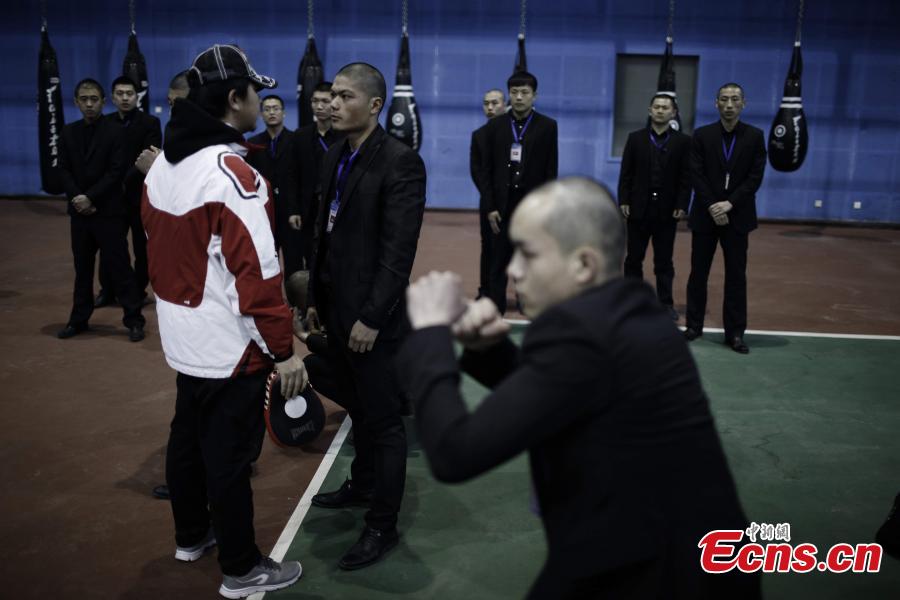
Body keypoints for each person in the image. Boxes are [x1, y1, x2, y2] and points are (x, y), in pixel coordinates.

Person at [400, 176, 760, 599]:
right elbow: (565, 394)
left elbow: (454, 453)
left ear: (584, 265)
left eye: (528, 254)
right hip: (679, 558)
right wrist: (488, 351)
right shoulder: (630, 311)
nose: (512, 269)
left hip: (654, 573)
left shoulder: (583, 331)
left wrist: (429, 335)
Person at [141, 44, 305, 599]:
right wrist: (283, 352)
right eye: (255, 91)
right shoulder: (236, 177)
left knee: (186, 435)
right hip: (230, 346)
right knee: (230, 458)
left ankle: (192, 536)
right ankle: (241, 569)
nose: (261, 100)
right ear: (235, 100)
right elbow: (258, 279)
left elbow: (154, 246)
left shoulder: (163, 164)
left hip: (181, 334)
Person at [306, 62, 426, 570]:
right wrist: (313, 296)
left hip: (371, 324)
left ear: (375, 106)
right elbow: (325, 233)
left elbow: (397, 253)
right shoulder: (335, 153)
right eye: (332, 95)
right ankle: (363, 484)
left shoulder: (400, 162)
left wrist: (372, 318)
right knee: (356, 407)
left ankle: (382, 525)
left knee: (383, 423)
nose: (333, 103)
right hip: (334, 312)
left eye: (345, 96)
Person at [56, 78, 145, 342]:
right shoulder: (68, 132)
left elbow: (116, 171)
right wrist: (77, 198)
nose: (89, 104)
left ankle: (134, 320)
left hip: (108, 212)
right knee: (82, 269)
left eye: (94, 99)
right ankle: (78, 319)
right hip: (80, 214)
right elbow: (63, 169)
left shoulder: (116, 132)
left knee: (119, 267)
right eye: (84, 99)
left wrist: (90, 197)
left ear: (103, 101)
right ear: (76, 102)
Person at [684, 83, 766, 354]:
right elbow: (696, 174)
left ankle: (735, 334)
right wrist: (713, 206)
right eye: (724, 99)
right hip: (705, 216)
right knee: (698, 274)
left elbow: (755, 177)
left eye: (735, 99)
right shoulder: (702, 135)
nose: (729, 104)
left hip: (738, 215)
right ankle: (694, 327)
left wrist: (729, 204)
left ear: (744, 103)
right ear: (716, 103)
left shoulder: (755, 136)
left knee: (736, 276)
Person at [477, 71, 557, 314]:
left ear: (535, 96)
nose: (519, 97)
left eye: (525, 93)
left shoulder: (547, 126)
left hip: (530, 204)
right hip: (501, 204)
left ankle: (527, 300)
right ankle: (495, 307)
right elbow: (486, 172)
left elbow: (550, 170)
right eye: (514, 93)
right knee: (497, 259)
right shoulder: (496, 127)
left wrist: (545, 208)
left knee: (529, 256)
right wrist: (490, 206)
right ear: (509, 95)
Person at [617, 93, 692, 321]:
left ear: (673, 113)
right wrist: (624, 200)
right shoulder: (635, 138)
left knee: (664, 261)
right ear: (650, 111)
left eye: (665, 107)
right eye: (656, 107)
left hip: (667, 211)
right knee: (633, 259)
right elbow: (626, 174)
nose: (660, 110)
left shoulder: (683, 142)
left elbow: (685, 178)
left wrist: (682, 204)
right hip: (638, 210)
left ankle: (666, 303)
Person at [95, 75, 162, 307]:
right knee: (109, 246)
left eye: (129, 94)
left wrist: (121, 179)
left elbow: (149, 156)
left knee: (142, 249)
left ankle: (138, 289)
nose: (125, 98)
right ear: (112, 97)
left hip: (138, 196)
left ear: (137, 96)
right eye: (120, 94)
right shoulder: (104, 123)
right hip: (110, 198)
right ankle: (107, 290)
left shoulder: (150, 123)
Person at [247, 95, 303, 276]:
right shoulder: (254, 143)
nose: (272, 112)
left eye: (276, 108)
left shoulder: (295, 140)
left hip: (290, 210)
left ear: (284, 113)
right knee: (265, 257)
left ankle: (296, 301)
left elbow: (299, 177)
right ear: (261, 114)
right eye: (267, 109)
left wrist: (296, 209)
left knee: (294, 258)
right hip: (264, 209)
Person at [294, 81, 344, 269]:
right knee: (309, 253)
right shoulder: (300, 136)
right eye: (315, 101)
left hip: (335, 204)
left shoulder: (345, 137)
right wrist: (294, 210)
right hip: (308, 207)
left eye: (325, 101)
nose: (319, 106)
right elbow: (293, 175)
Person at [471, 89, 506, 299]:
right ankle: (486, 292)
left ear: (504, 104)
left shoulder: (516, 135)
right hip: (489, 203)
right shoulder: (479, 136)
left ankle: (523, 296)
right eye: (486, 104)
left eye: (495, 103)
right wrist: (490, 203)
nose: (490, 108)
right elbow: (477, 172)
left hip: (516, 203)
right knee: (489, 249)